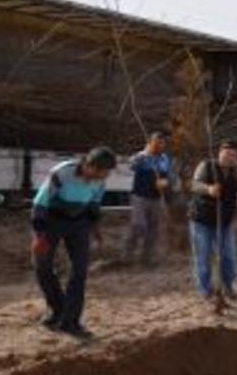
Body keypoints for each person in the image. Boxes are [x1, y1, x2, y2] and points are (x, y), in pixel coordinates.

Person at [31, 146, 117, 338]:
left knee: (79, 270)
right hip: (52, 221)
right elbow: (40, 204)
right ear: (91, 166)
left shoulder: (100, 181)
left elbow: (94, 206)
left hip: (79, 224)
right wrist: (39, 235)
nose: (106, 176)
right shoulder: (62, 173)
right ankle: (57, 310)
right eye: (104, 172)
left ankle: (70, 322)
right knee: (42, 266)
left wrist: (95, 229)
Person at [189, 141, 237, 300]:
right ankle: (206, 289)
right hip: (202, 220)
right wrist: (208, 189)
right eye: (227, 154)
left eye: (234, 155)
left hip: (225, 221)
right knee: (203, 256)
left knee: (229, 256)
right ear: (220, 153)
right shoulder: (206, 165)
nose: (230, 158)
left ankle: (228, 286)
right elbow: (194, 185)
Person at [124, 131, 173, 265]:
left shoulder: (165, 159)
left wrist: (165, 183)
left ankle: (147, 257)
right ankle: (127, 254)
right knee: (138, 225)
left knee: (154, 228)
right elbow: (131, 165)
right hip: (140, 196)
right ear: (150, 142)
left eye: (161, 143)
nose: (159, 145)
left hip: (156, 198)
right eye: (156, 142)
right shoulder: (142, 156)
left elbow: (169, 177)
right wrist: (145, 154)